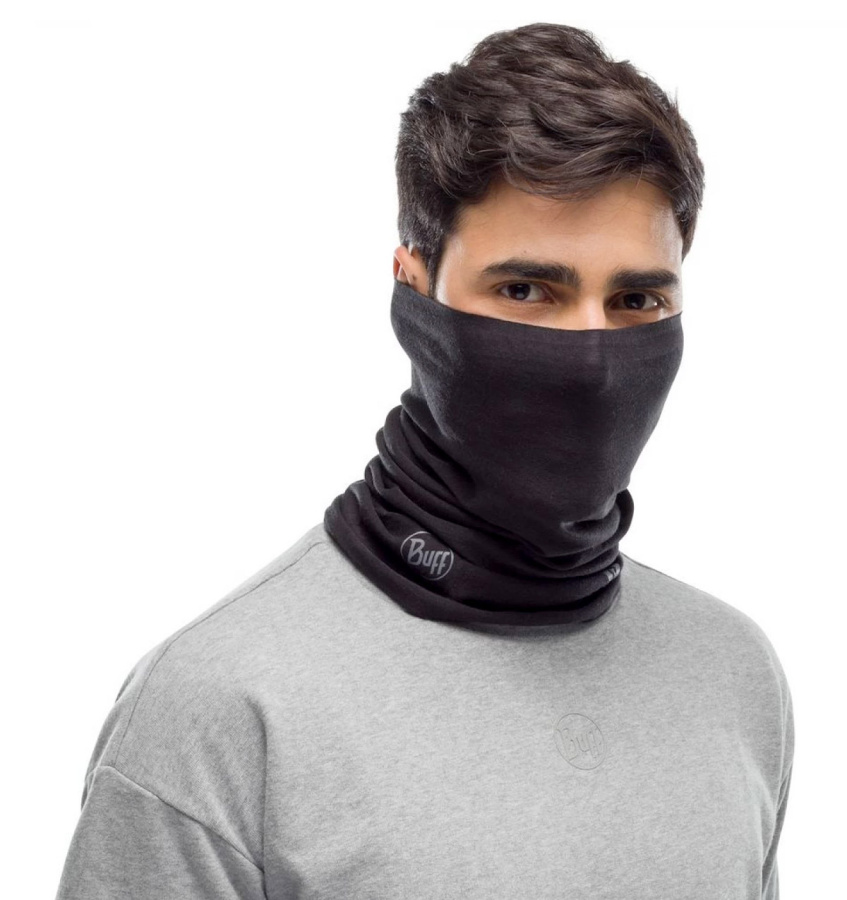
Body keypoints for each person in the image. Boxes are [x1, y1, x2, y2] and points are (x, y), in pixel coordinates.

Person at [54, 21, 794, 900]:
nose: (592, 357)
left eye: (635, 299)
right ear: (413, 287)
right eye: (526, 290)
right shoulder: (222, 708)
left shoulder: (731, 674)